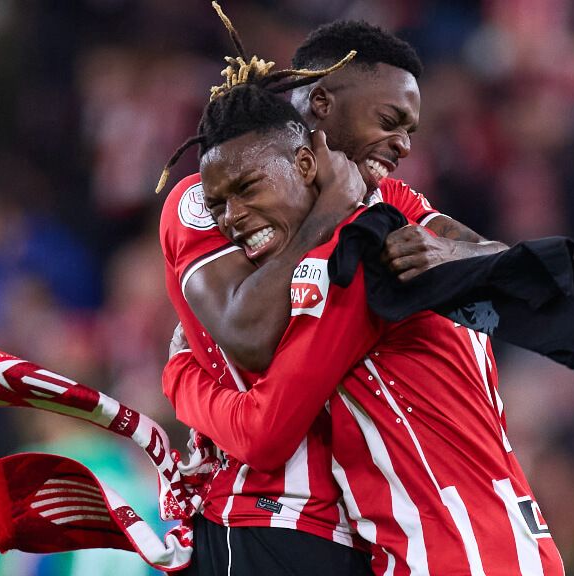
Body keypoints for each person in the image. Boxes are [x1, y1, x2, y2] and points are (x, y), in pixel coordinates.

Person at [158, 9, 512, 575]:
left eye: (410, 131)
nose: (402, 145)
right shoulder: (213, 192)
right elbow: (248, 334)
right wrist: (328, 212)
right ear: (322, 104)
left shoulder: (383, 202)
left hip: (358, 530)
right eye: (390, 120)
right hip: (260, 517)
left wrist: (455, 253)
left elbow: (499, 261)